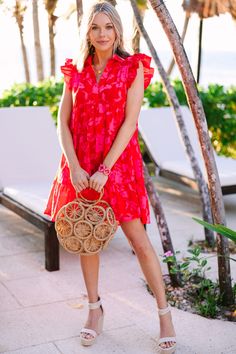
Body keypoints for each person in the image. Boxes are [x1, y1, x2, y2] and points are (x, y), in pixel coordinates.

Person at [44, 1, 176, 352]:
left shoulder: (132, 68)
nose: (102, 34)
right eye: (95, 27)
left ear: (118, 30)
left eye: (108, 27)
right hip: (81, 165)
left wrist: (106, 169)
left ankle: (165, 315)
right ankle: (94, 310)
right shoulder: (76, 70)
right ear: (87, 32)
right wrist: (74, 166)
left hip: (117, 166)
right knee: (88, 237)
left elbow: (131, 123)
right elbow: (63, 121)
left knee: (139, 241)